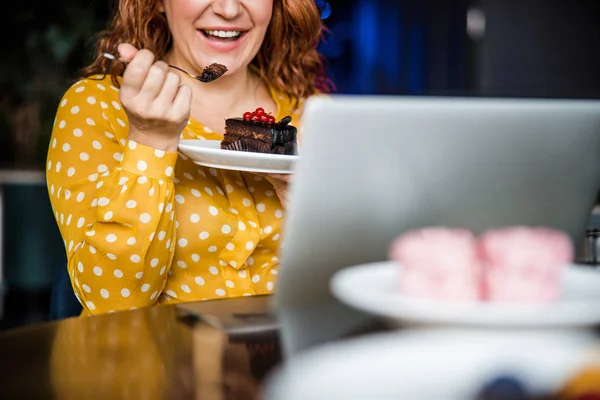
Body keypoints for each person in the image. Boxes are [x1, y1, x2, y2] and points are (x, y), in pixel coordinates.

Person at [46, 0, 329, 316]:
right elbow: (111, 302)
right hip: (157, 360)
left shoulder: (319, 115)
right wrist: (150, 141)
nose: (229, 9)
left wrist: (305, 205)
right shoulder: (95, 108)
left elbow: (359, 285)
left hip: (296, 357)